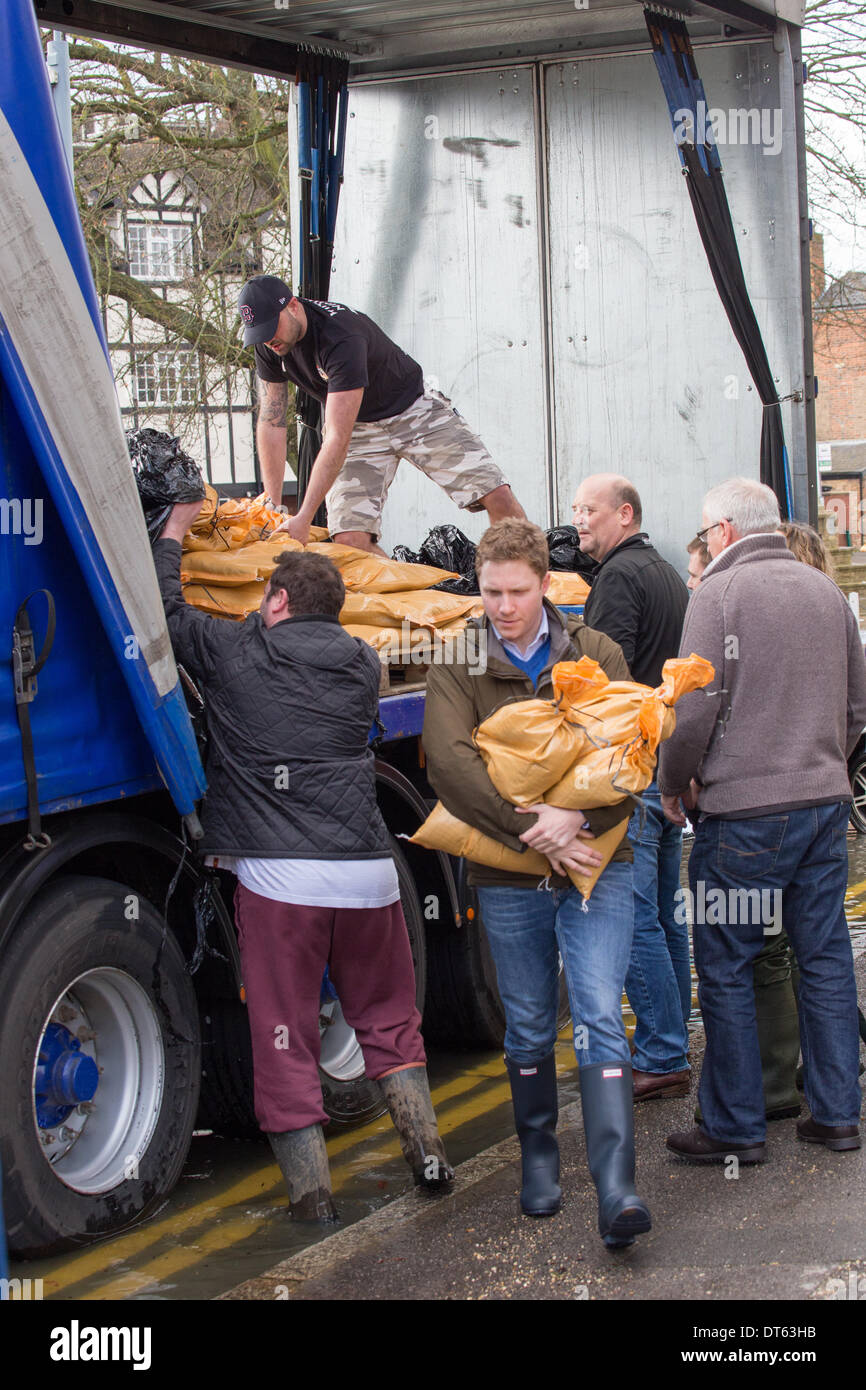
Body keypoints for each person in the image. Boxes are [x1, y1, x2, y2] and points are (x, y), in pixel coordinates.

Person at [154, 501, 452, 1218]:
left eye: (266, 596)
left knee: (284, 1032)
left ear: (278, 600)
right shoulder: (360, 662)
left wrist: (170, 536)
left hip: (282, 883)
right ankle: (430, 1160)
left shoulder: (238, 652)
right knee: (388, 1018)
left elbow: (165, 612)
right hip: (370, 875)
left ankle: (314, 1201)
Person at [422, 518, 651, 1249]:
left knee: (596, 1010)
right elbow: (447, 762)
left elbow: (630, 751)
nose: (503, 607)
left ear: (545, 586)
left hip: (594, 865)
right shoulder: (459, 650)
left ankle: (616, 1187)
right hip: (508, 871)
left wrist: (570, 811)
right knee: (524, 1021)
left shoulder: (597, 650)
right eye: (491, 592)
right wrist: (531, 827)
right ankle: (540, 1161)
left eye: (517, 592)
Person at [659, 477, 866, 1162]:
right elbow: (858, 706)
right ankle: (837, 1116)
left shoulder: (716, 594)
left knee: (725, 963)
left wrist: (673, 782)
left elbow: (691, 709)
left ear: (722, 532)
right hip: (824, 807)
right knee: (826, 956)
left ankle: (735, 1129)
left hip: (744, 815)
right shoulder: (825, 592)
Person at [237, 275, 526, 555]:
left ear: (293, 306)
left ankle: (526, 585)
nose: (268, 340)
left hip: (413, 410)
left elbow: (337, 438)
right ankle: (412, 602)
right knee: (349, 541)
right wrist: (272, 503)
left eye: (271, 327)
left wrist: (304, 517)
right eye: (259, 334)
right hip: (360, 429)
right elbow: (272, 418)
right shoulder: (270, 346)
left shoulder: (339, 335)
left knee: (496, 495)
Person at [572, 474, 691, 1101]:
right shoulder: (667, 572)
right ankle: (672, 1040)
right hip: (663, 765)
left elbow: (603, 679)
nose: (578, 520)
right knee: (667, 914)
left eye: (588, 510)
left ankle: (663, 1053)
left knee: (637, 913)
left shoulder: (618, 579)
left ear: (624, 513)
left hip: (632, 769)